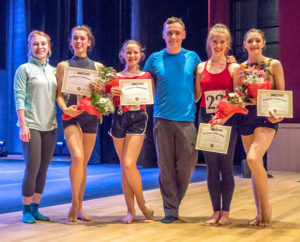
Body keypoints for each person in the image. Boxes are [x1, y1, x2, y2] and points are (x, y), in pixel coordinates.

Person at [143, 17, 200, 223]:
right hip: (161, 119)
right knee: (165, 167)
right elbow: (141, 84)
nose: (173, 36)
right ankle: (171, 211)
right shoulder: (154, 59)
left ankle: (174, 203)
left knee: (186, 166)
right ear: (163, 35)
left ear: (184, 34)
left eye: (177, 32)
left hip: (187, 120)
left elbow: (205, 80)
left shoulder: (193, 58)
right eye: (169, 33)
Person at [103, 40, 154, 224]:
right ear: (122, 55)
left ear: (141, 54)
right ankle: (130, 211)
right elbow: (105, 106)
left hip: (138, 118)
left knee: (129, 163)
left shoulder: (146, 75)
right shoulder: (113, 77)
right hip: (119, 118)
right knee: (124, 168)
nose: (132, 55)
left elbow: (151, 97)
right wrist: (110, 95)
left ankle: (142, 204)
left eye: (135, 52)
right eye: (128, 52)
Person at [56, 25, 103, 223]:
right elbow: (58, 95)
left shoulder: (98, 67)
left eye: (82, 38)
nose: (79, 42)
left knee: (83, 163)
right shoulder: (63, 66)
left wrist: (98, 90)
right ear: (70, 42)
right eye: (75, 38)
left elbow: (100, 98)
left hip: (91, 117)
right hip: (71, 116)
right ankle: (74, 203)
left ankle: (80, 206)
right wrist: (65, 109)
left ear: (89, 42)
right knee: (77, 156)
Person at [194, 24, 240, 225]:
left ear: (228, 44)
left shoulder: (234, 68)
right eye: (215, 41)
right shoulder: (200, 67)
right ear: (209, 42)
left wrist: (225, 116)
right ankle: (215, 211)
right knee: (211, 168)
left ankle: (226, 212)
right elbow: (197, 96)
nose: (218, 45)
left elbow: (239, 98)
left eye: (222, 42)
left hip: (228, 120)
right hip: (206, 118)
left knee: (226, 166)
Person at [240, 29, 285, 227]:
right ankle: (258, 213)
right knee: (253, 164)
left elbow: (281, 94)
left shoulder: (273, 64)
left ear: (264, 43)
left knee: (252, 158)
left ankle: (266, 208)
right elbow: (238, 94)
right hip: (246, 117)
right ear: (244, 44)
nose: (254, 44)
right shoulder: (240, 67)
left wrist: (279, 114)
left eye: (257, 40)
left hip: (267, 117)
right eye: (250, 41)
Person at [14, 30, 57, 223]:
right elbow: (19, 98)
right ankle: (25, 210)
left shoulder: (54, 71)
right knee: (32, 168)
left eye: (43, 44)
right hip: (31, 125)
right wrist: (23, 126)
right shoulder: (24, 69)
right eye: (35, 44)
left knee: (43, 169)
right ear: (30, 48)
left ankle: (36, 207)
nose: (40, 47)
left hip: (51, 126)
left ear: (49, 47)